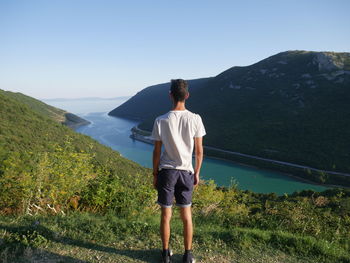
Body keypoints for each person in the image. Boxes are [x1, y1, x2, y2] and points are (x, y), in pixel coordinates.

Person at [151, 79, 206, 263]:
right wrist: (196, 172)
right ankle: (188, 255)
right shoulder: (195, 118)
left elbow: (157, 152)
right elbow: (198, 151)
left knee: (166, 216)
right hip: (186, 172)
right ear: (187, 95)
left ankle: (165, 254)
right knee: (186, 216)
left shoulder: (161, 120)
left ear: (170, 95)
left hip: (167, 172)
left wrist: (155, 174)